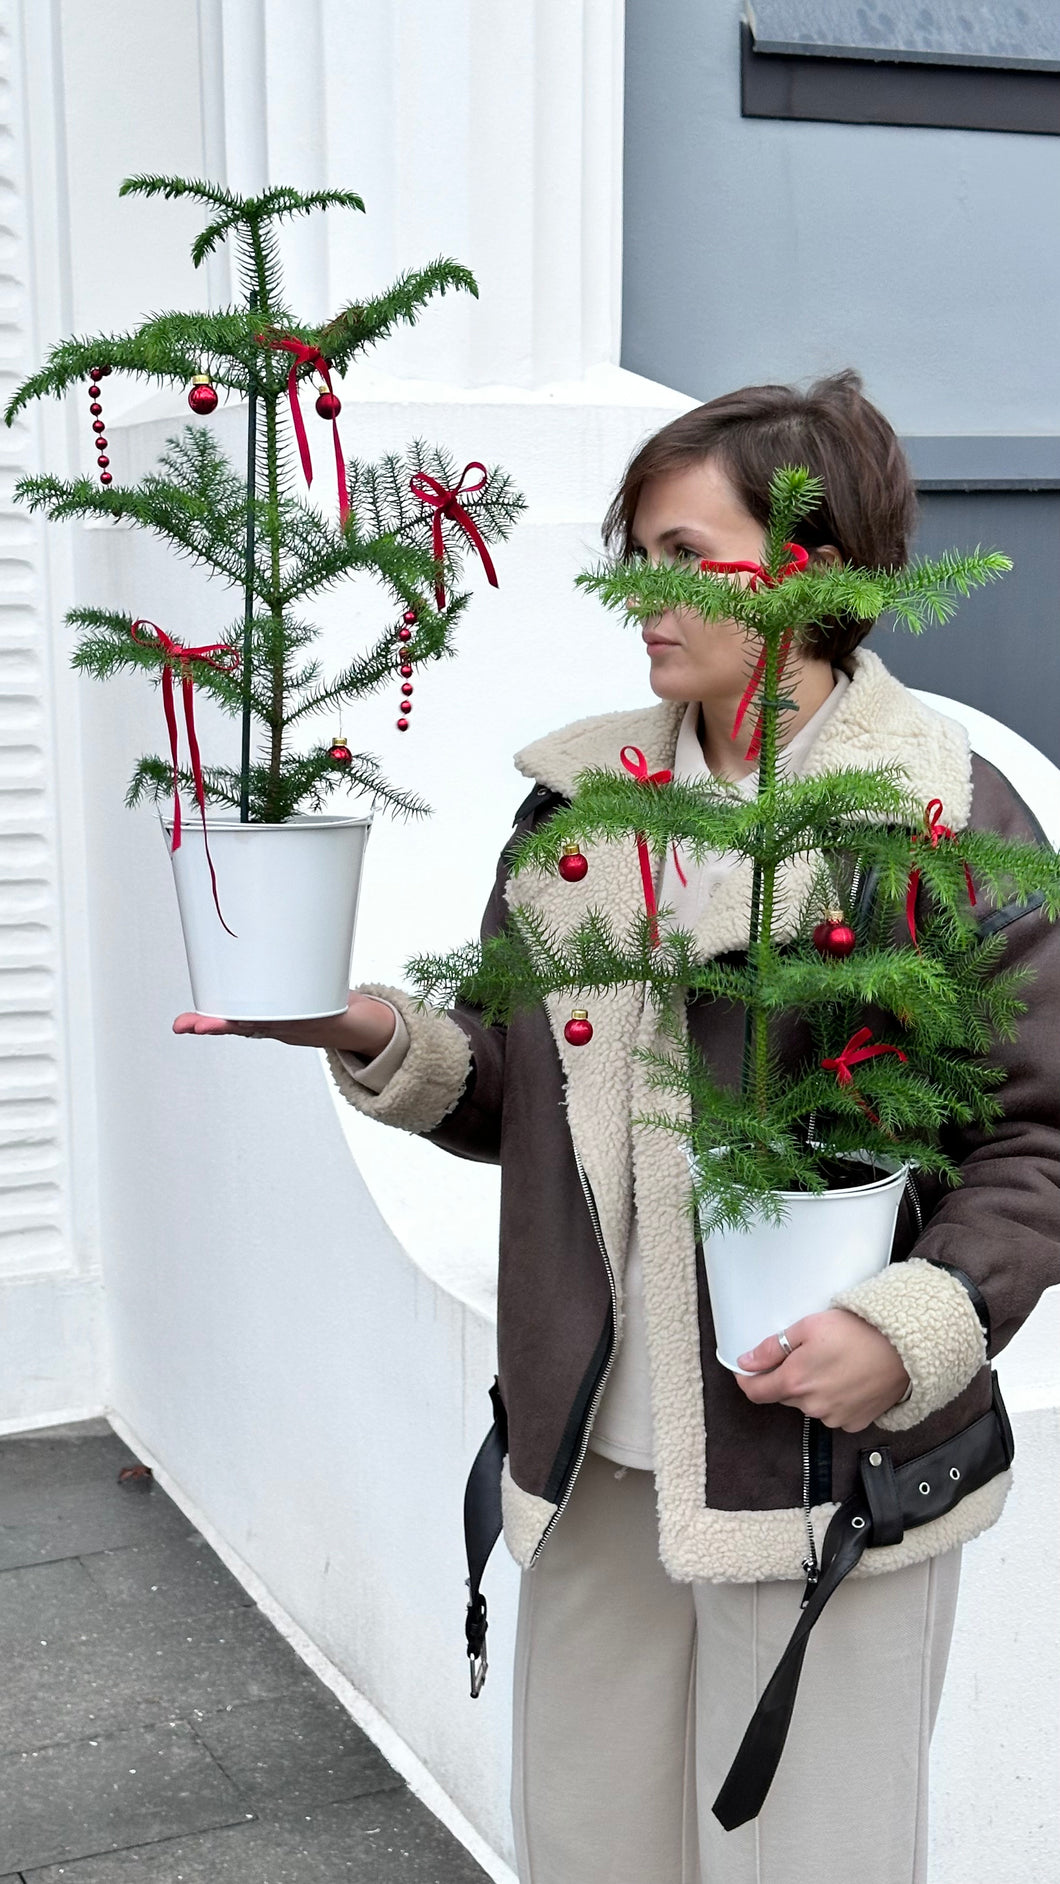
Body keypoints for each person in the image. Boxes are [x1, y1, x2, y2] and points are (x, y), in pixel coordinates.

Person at [177, 370, 1060, 1884]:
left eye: (679, 555)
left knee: (816, 1859)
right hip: (591, 1454)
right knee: (589, 1848)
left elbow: (1040, 1135)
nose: (636, 594)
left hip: (822, 1462)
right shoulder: (580, 813)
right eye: (629, 549)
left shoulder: (942, 819)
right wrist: (381, 1038)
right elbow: (524, 1094)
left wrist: (912, 1324)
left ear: (813, 564)